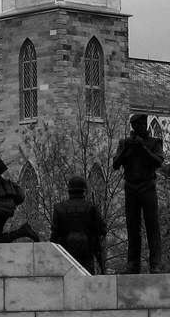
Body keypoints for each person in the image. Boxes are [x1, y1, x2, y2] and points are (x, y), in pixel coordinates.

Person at [112, 113, 163, 273]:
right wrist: (125, 149)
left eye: (142, 124)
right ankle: (132, 265)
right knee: (132, 227)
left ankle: (155, 264)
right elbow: (115, 165)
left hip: (148, 186)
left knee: (152, 226)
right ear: (133, 127)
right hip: (131, 187)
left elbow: (159, 162)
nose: (140, 127)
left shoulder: (154, 142)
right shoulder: (124, 143)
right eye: (137, 125)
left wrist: (143, 148)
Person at [51, 175, 106, 274]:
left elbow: (54, 235)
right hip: (87, 254)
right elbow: (103, 230)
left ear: (69, 190)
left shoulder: (59, 208)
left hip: (65, 254)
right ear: (84, 191)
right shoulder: (92, 207)